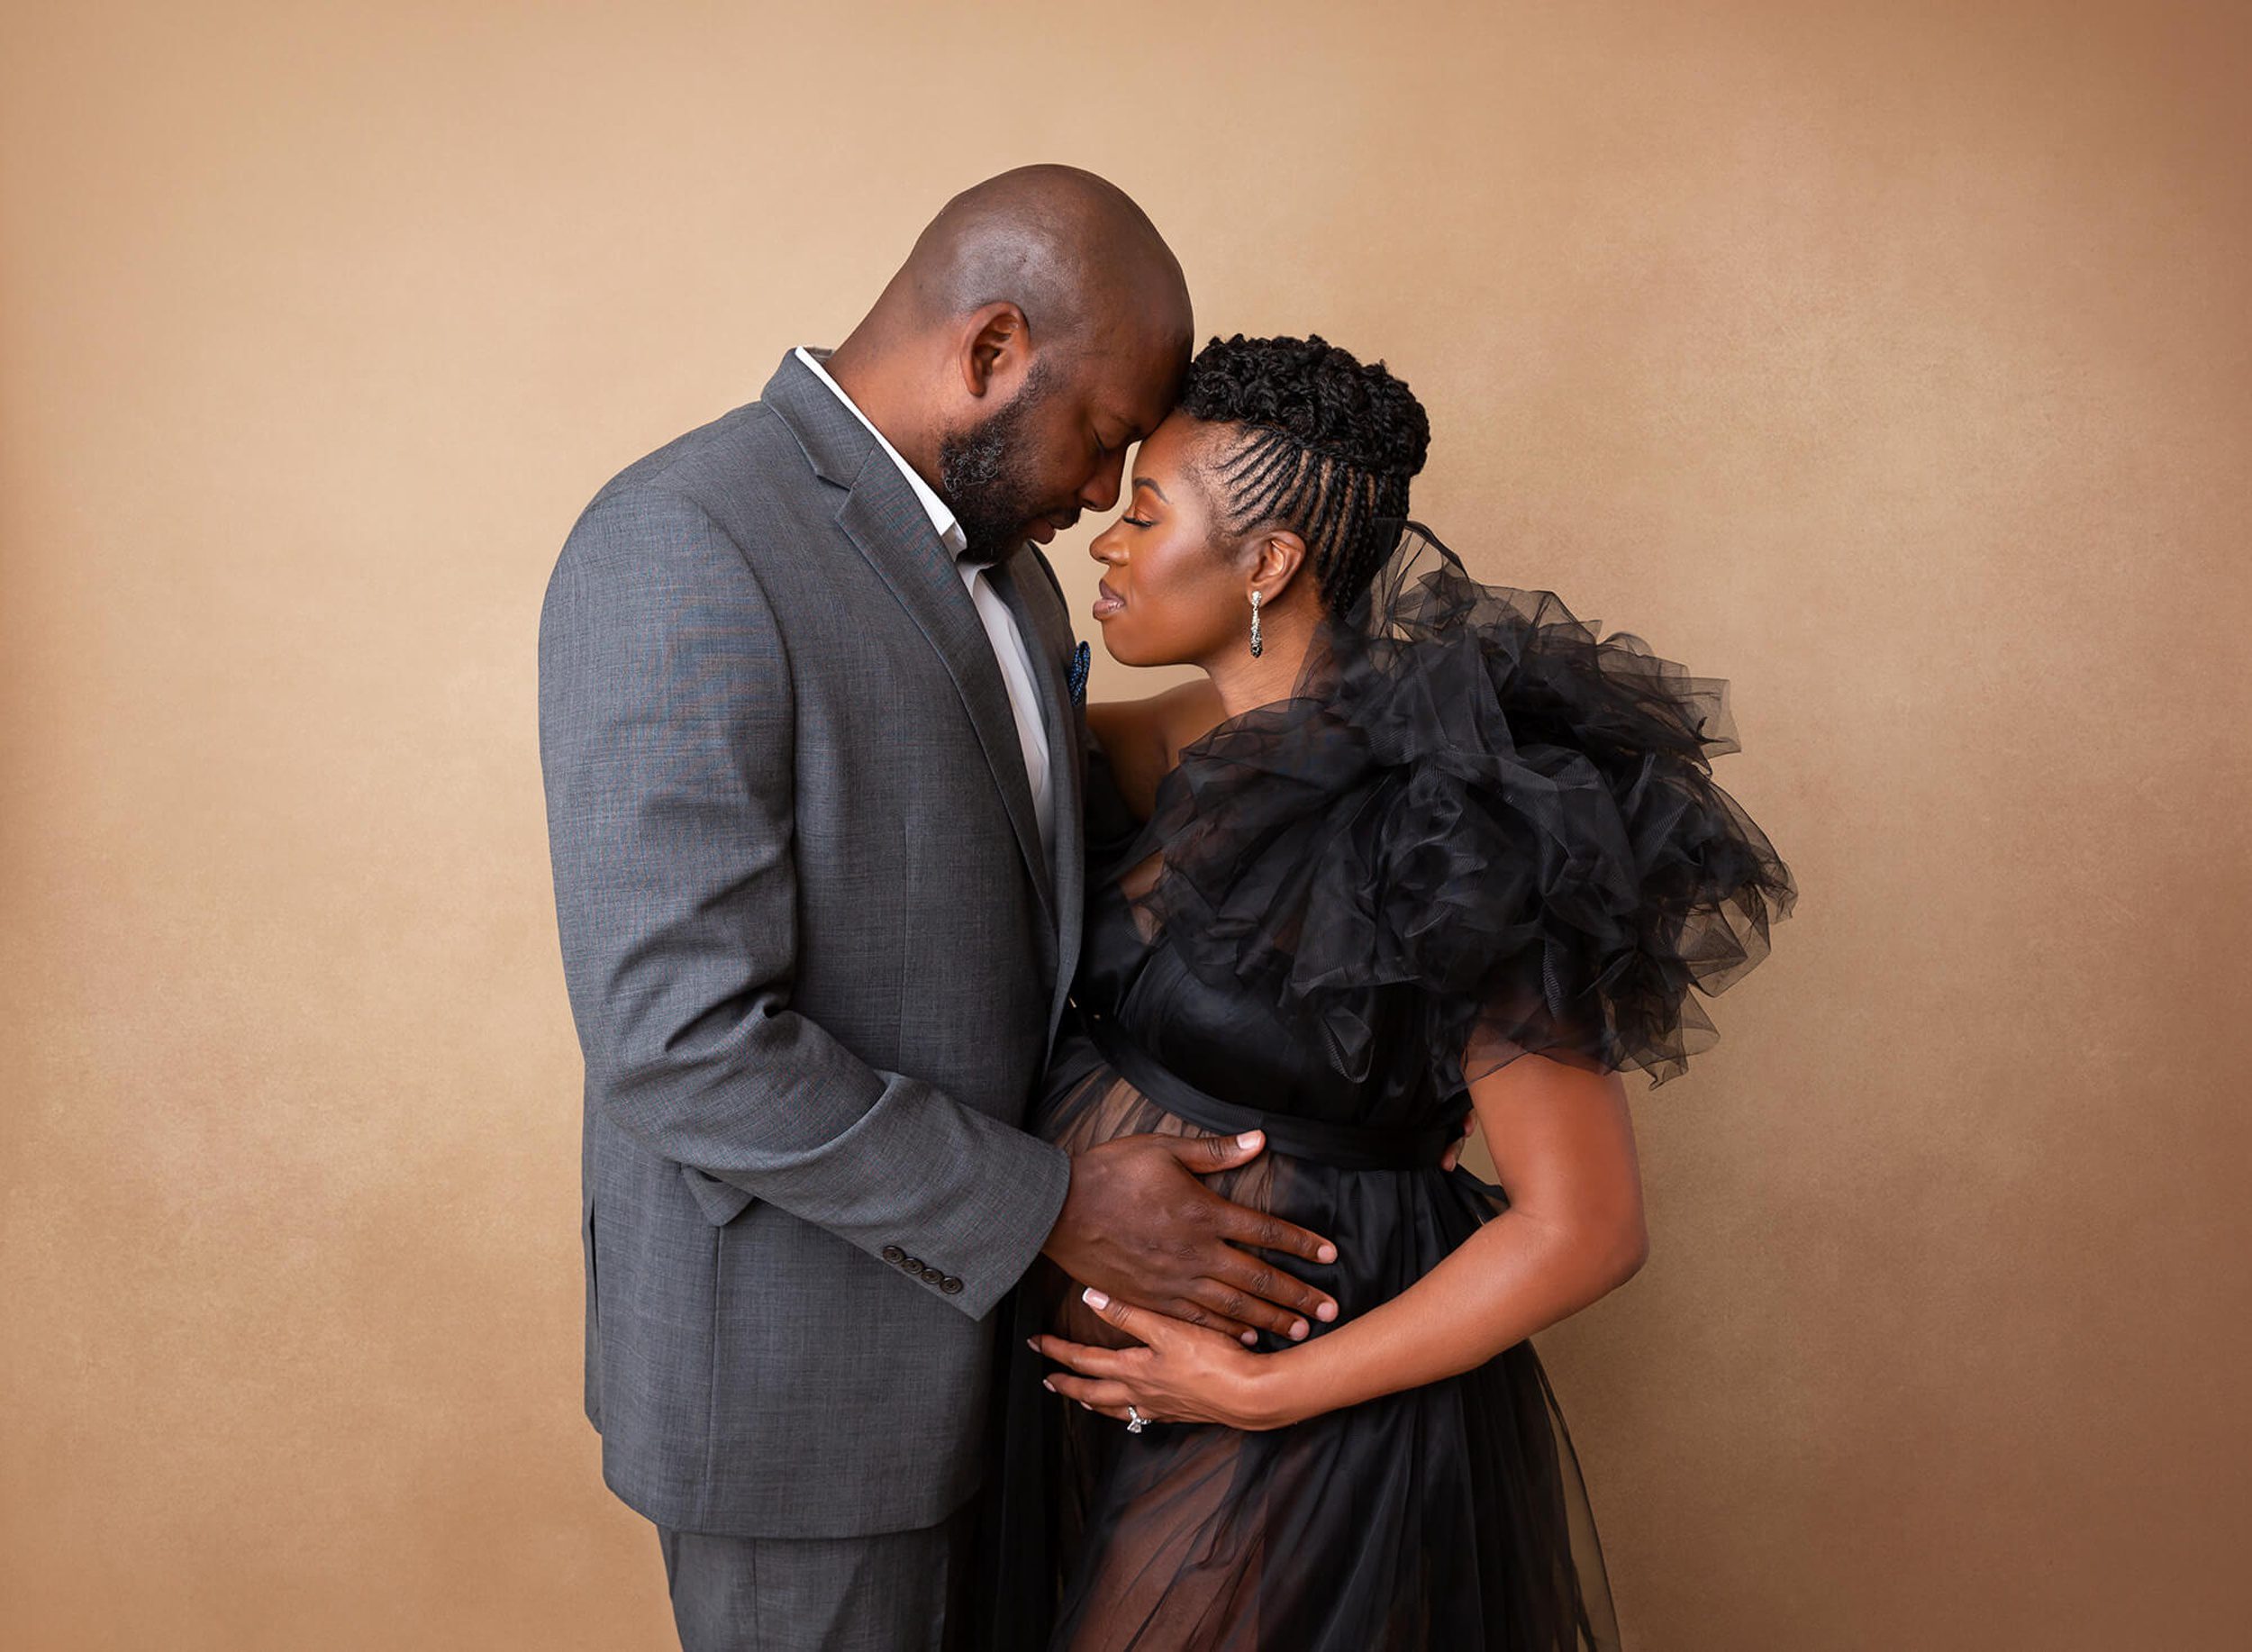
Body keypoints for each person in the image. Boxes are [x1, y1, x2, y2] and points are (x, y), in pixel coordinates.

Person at [536, 168, 1351, 1652]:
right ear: (990, 353)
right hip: (805, 1395)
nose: (1106, 496)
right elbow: (678, 1041)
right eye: (1104, 438)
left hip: (1025, 1376)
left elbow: (1030, 898)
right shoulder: (684, 542)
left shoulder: (1027, 587)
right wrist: (1054, 1204)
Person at [988, 333, 1798, 1649]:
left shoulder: (1450, 816)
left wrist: (1267, 1392)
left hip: (1294, 1411)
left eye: (1143, 514)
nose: (1105, 547)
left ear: (1266, 564)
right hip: (1102, 1383)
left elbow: (1586, 1226)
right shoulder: (1158, 746)